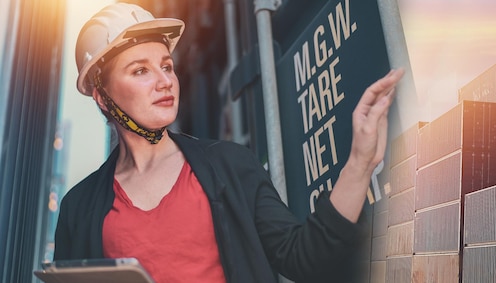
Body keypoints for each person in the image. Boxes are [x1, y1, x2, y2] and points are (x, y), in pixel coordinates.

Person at [54, 3, 404, 283]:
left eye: (167, 66)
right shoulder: (78, 209)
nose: (165, 82)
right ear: (102, 97)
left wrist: (359, 161)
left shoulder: (231, 166)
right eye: (140, 71)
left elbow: (305, 259)